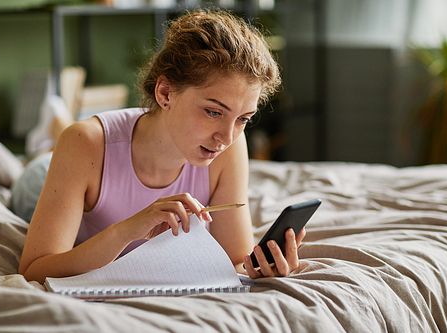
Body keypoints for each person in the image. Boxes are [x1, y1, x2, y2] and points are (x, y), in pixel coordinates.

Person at [18, 9, 306, 284]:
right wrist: (129, 229)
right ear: (165, 93)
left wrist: (261, 268)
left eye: (243, 118)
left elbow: (234, 261)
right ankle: (49, 135)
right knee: (33, 171)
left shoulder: (229, 147)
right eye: (213, 112)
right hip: (41, 178)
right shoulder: (83, 142)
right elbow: (34, 270)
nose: (226, 137)